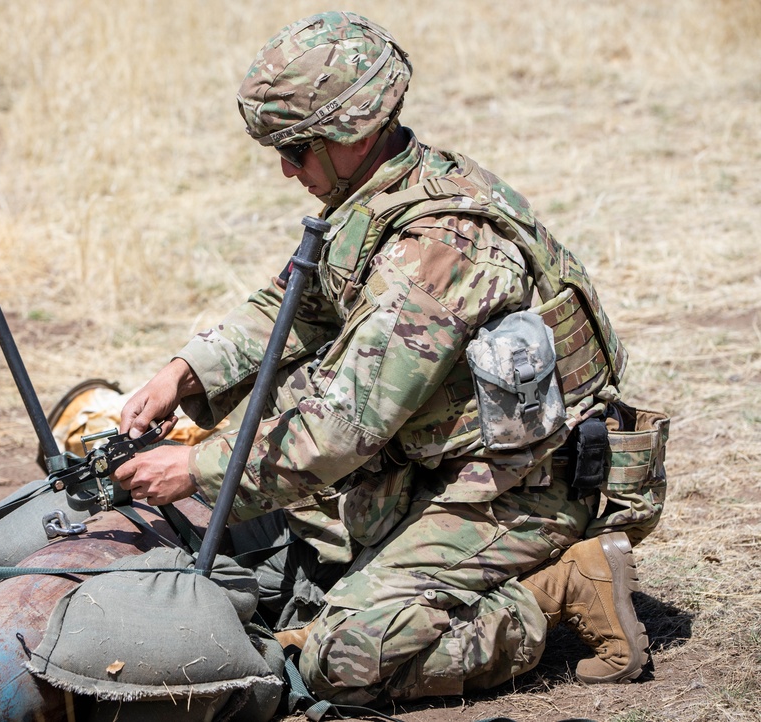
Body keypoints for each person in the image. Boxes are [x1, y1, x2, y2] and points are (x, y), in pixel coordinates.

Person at [112, 11, 652, 706]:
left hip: (529, 489)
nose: (286, 170)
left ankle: (559, 589)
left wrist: (194, 469)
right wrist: (183, 374)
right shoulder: (379, 195)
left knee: (344, 658)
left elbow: (336, 433)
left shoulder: (437, 251)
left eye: (298, 150)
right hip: (450, 466)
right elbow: (292, 308)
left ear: (355, 133)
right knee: (296, 532)